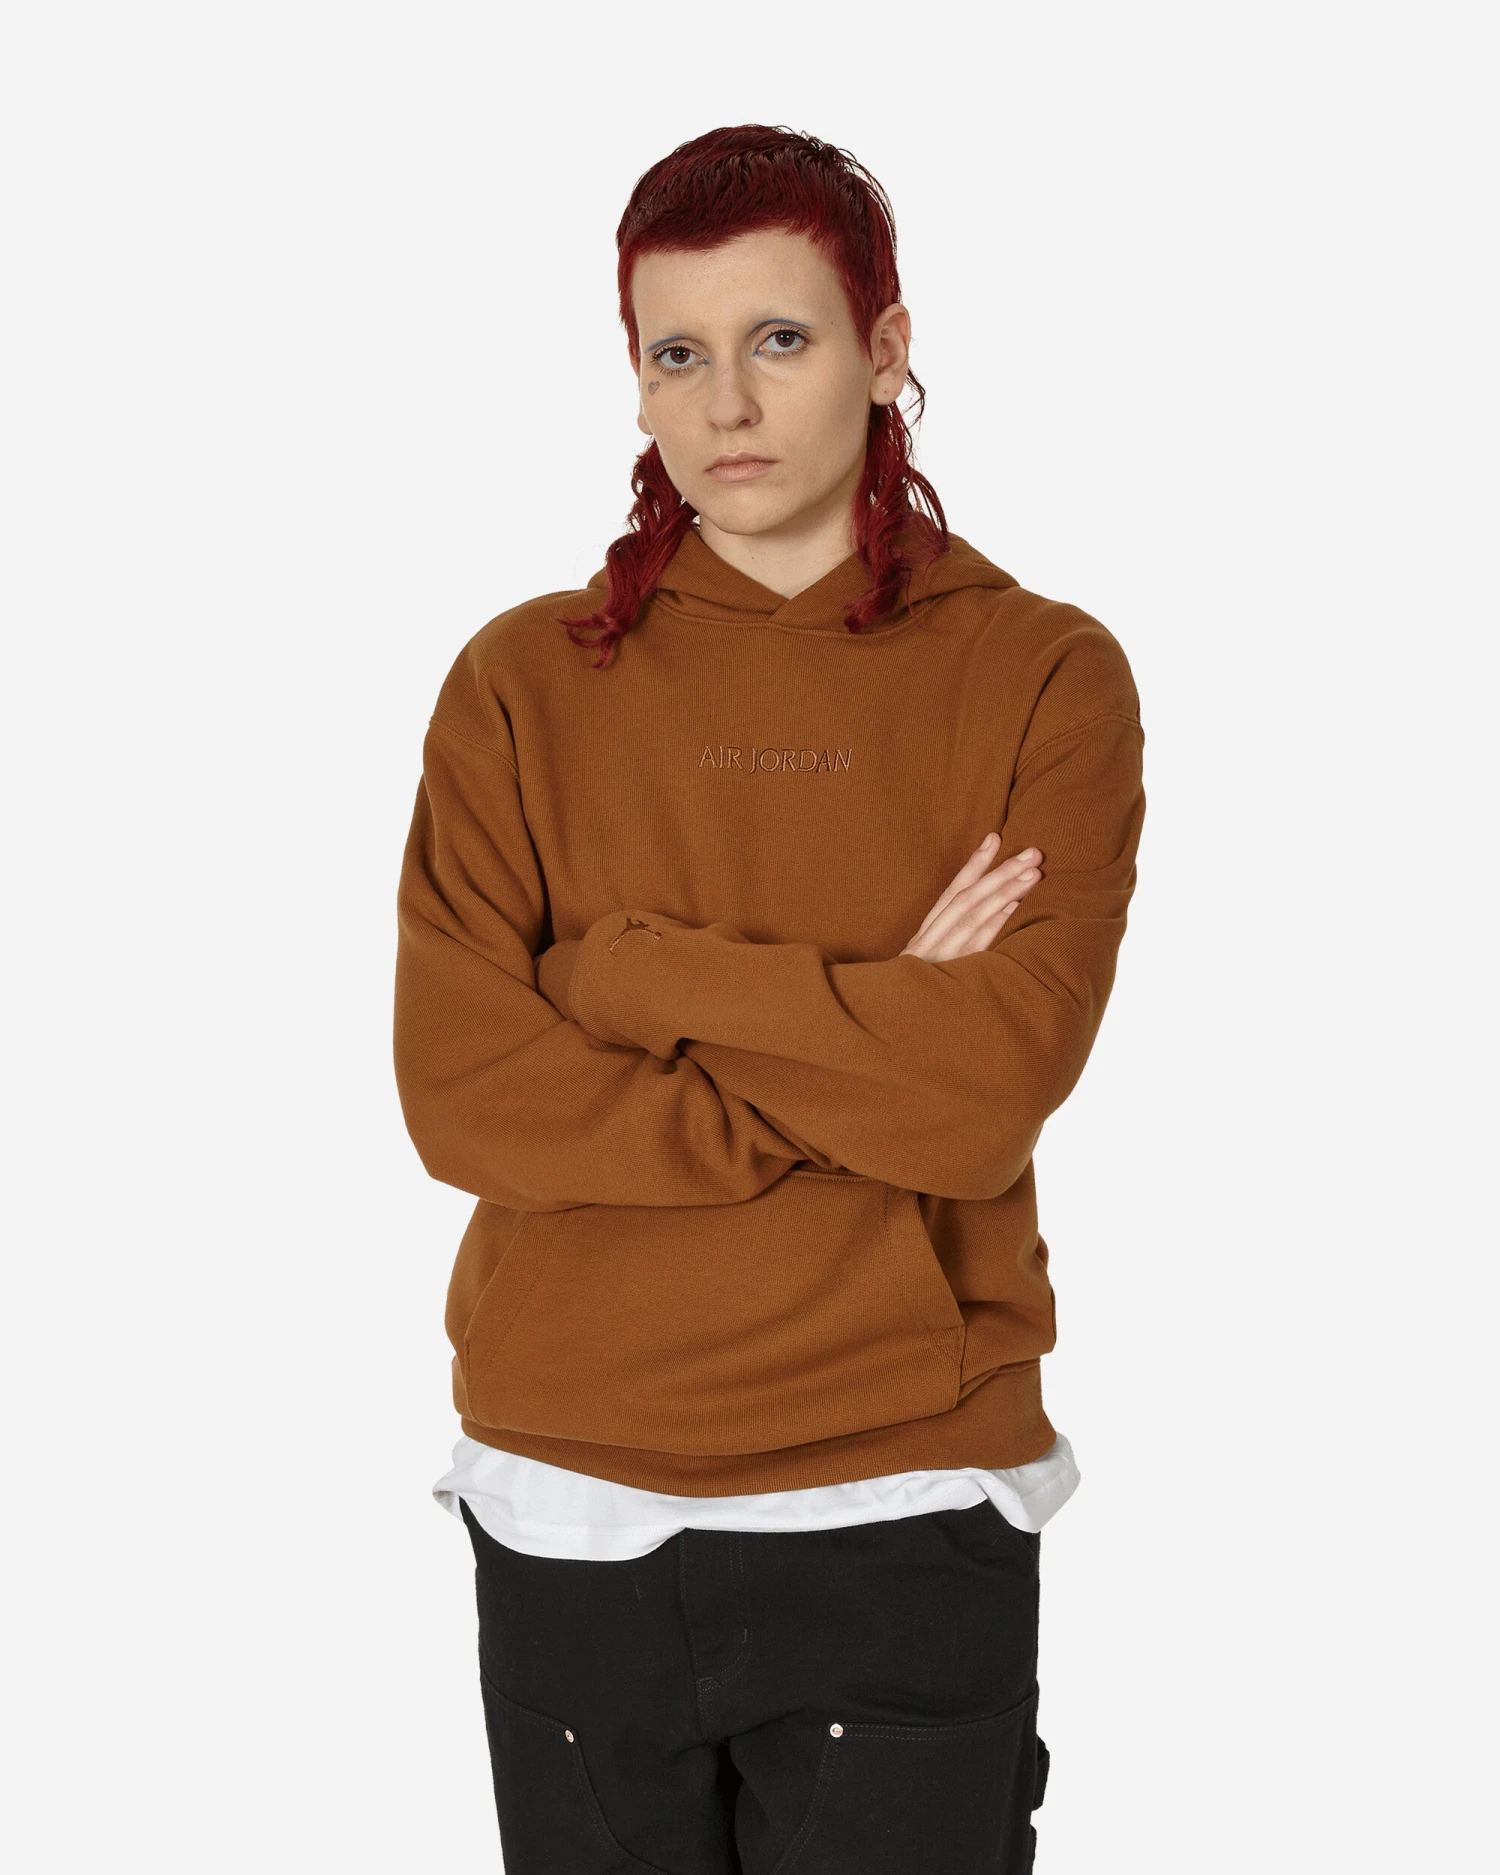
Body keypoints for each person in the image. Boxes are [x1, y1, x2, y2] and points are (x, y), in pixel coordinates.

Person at [394, 123, 1146, 1873]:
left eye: (780, 339)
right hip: (568, 1494)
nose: (725, 403)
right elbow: (465, 1095)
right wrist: (871, 1019)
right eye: (678, 352)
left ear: (885, 349)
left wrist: (628, 974)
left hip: (902, 1487)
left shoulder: (1044, 675)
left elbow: (984, 1096)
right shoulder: (516, 687)